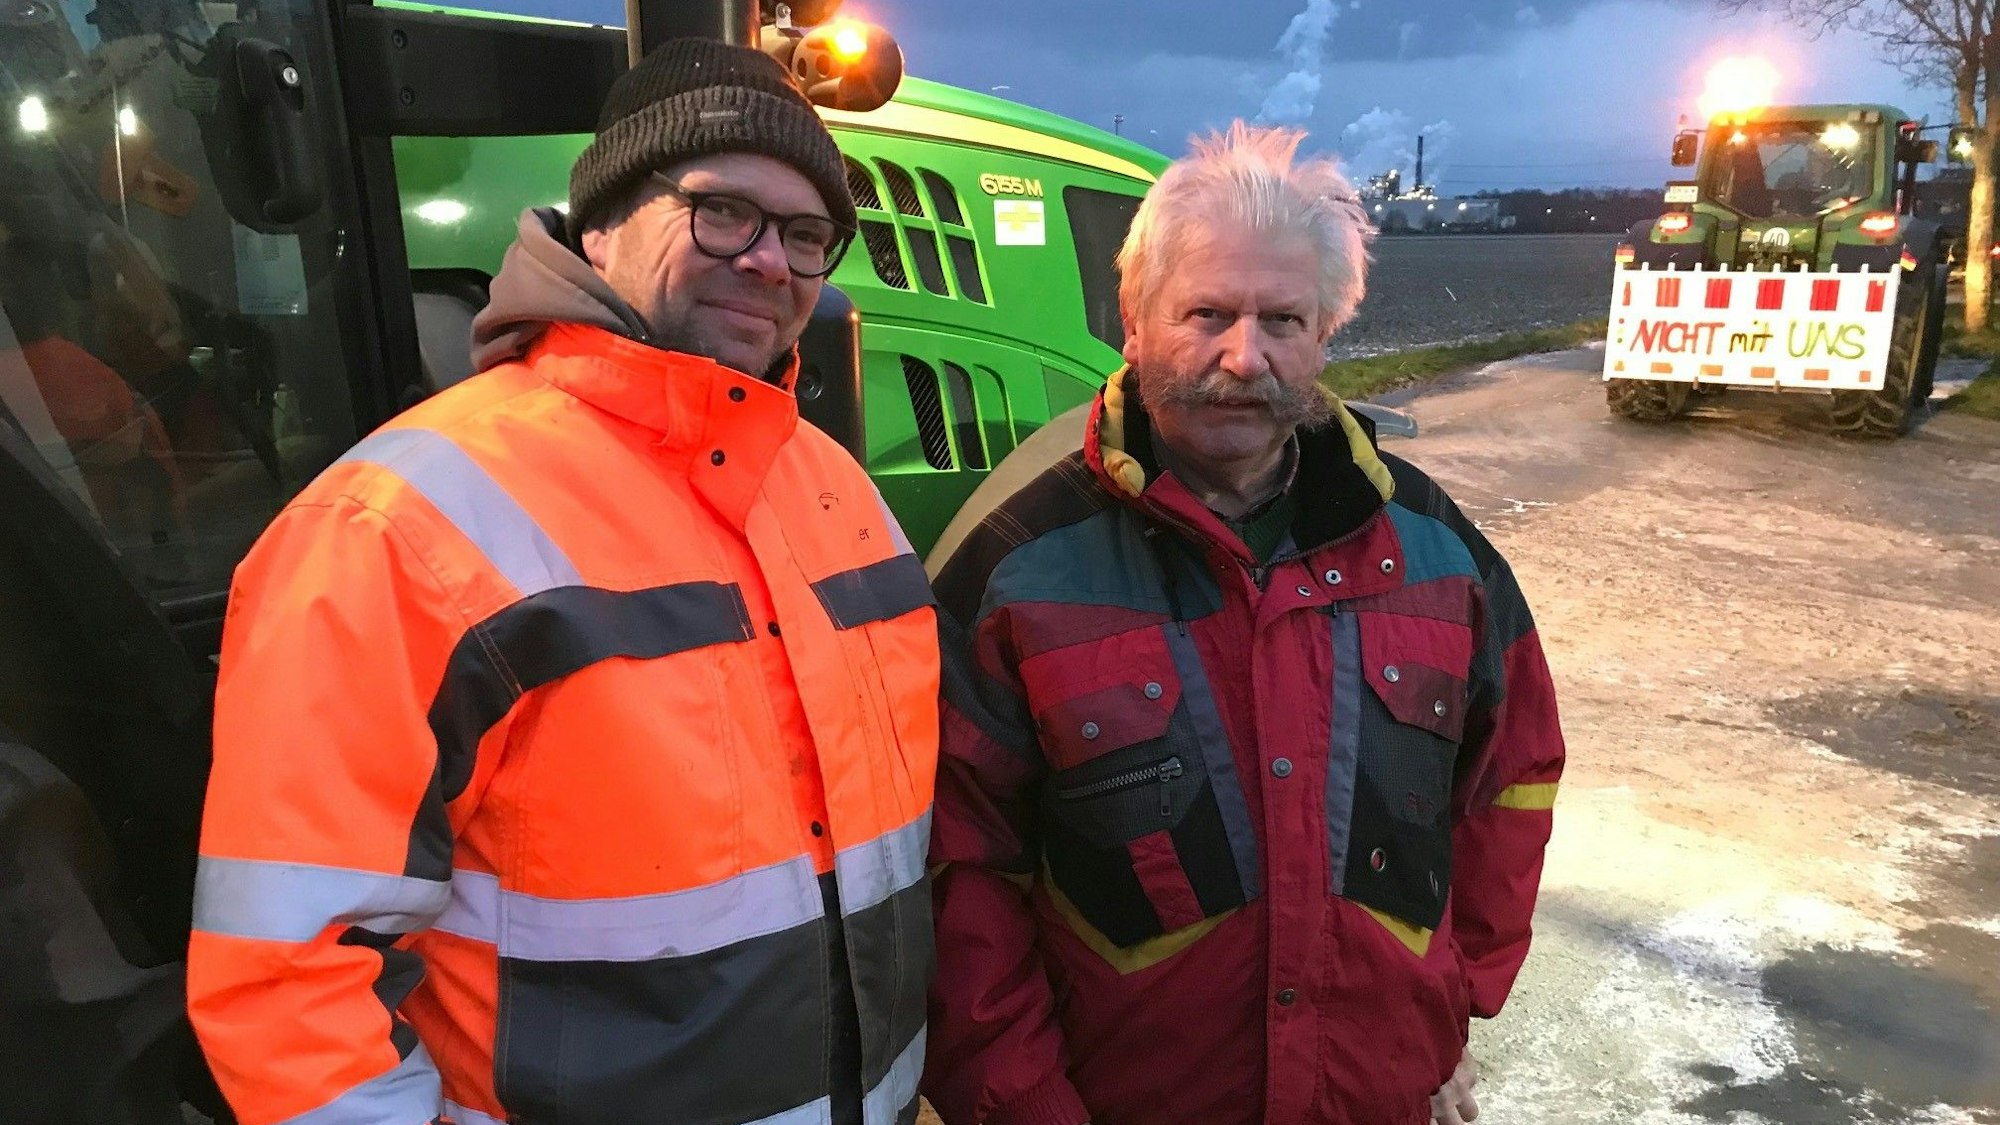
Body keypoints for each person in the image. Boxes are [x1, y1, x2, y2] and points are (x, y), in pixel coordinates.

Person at [186, 41, 938, 1125]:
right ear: (600, 224)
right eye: (723, 212)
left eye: (806, 234)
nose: (770, 261)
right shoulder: (394, 528)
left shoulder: (836, 493)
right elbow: (287, 980)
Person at [921, 122, 1566, 1125]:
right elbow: (954, 872)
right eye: (1205, 313)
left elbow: (1510, 783)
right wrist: (1020, 1099)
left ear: (1324, 334)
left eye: (1281, 320)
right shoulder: (1017, 565)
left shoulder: (1439, 553)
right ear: (1132, 319)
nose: (1241, 355)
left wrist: (1451, 1004)